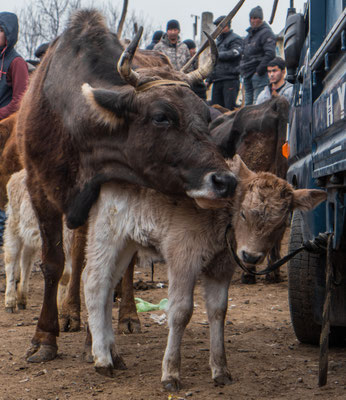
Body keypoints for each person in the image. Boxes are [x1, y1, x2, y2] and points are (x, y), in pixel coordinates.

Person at [0, 12, 29, 247]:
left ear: (9, 34)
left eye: (0, 30)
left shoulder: (16, 62)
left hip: (8, 130)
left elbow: (19, 100)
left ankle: (3, 232)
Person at [240, 6, 276, 105]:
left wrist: (259, 71)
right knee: (248, 104)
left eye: (255, 18)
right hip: (247, 73)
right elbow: (243, 54)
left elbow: (270, 54)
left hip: (258, 74)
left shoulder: (266, 33)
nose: (252, 20)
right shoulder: (248, 36)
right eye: (251, 18)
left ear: (261, 19)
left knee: (258, 103)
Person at [207, 16, 243, 111]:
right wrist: (209, 79)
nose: (217, 29)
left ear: (226, 26)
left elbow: (235, 53)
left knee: (229, 110)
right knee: (216, 110)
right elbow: (214, 63)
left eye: (219, 26)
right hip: (217, 80)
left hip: (230, 80)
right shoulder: (218, 42)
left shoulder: (235, 39)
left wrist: (218, 55)